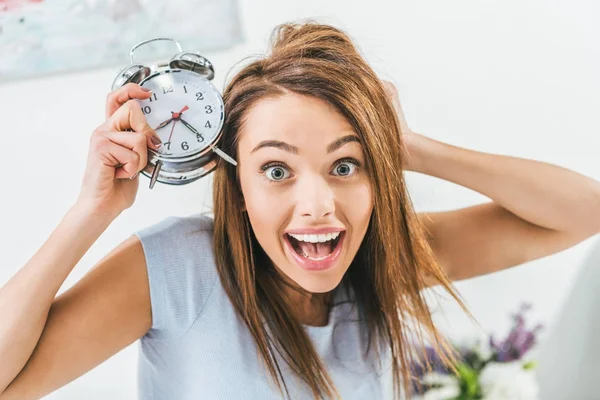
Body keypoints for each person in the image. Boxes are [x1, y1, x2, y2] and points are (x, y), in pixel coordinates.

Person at [1, 22, 599, 400]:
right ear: (236, 185)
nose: (318, 206)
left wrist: (405, 146)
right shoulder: (176, 271)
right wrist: (91, 210)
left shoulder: (382, 256)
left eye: (345, 166)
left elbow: (581, 213)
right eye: (277, 171)